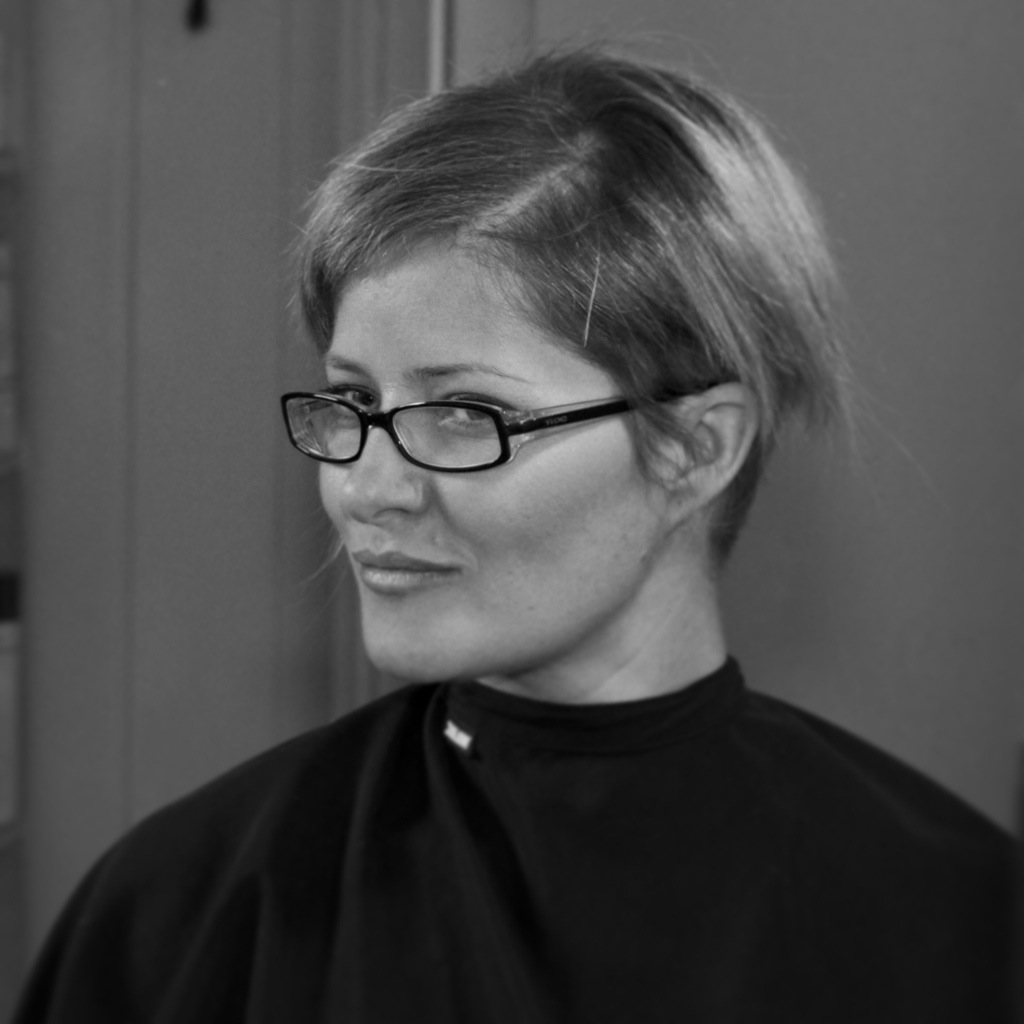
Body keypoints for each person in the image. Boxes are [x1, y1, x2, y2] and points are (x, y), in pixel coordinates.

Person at [14, 47, 1012, 1023]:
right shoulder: (184, 913)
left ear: (695, 449)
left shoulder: (955, 930)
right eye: (352, 402)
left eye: (465, 415)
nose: (365, 488)